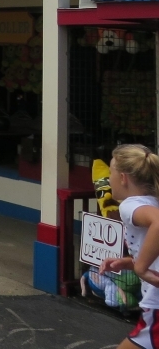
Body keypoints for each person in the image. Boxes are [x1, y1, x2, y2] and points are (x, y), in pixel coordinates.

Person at [99, 144, 159, 349]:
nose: (108, 179)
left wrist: (140, 267)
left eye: (110, 172)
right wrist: (128, 263)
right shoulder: (153, 201)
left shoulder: (129, 205)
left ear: (123, 178)